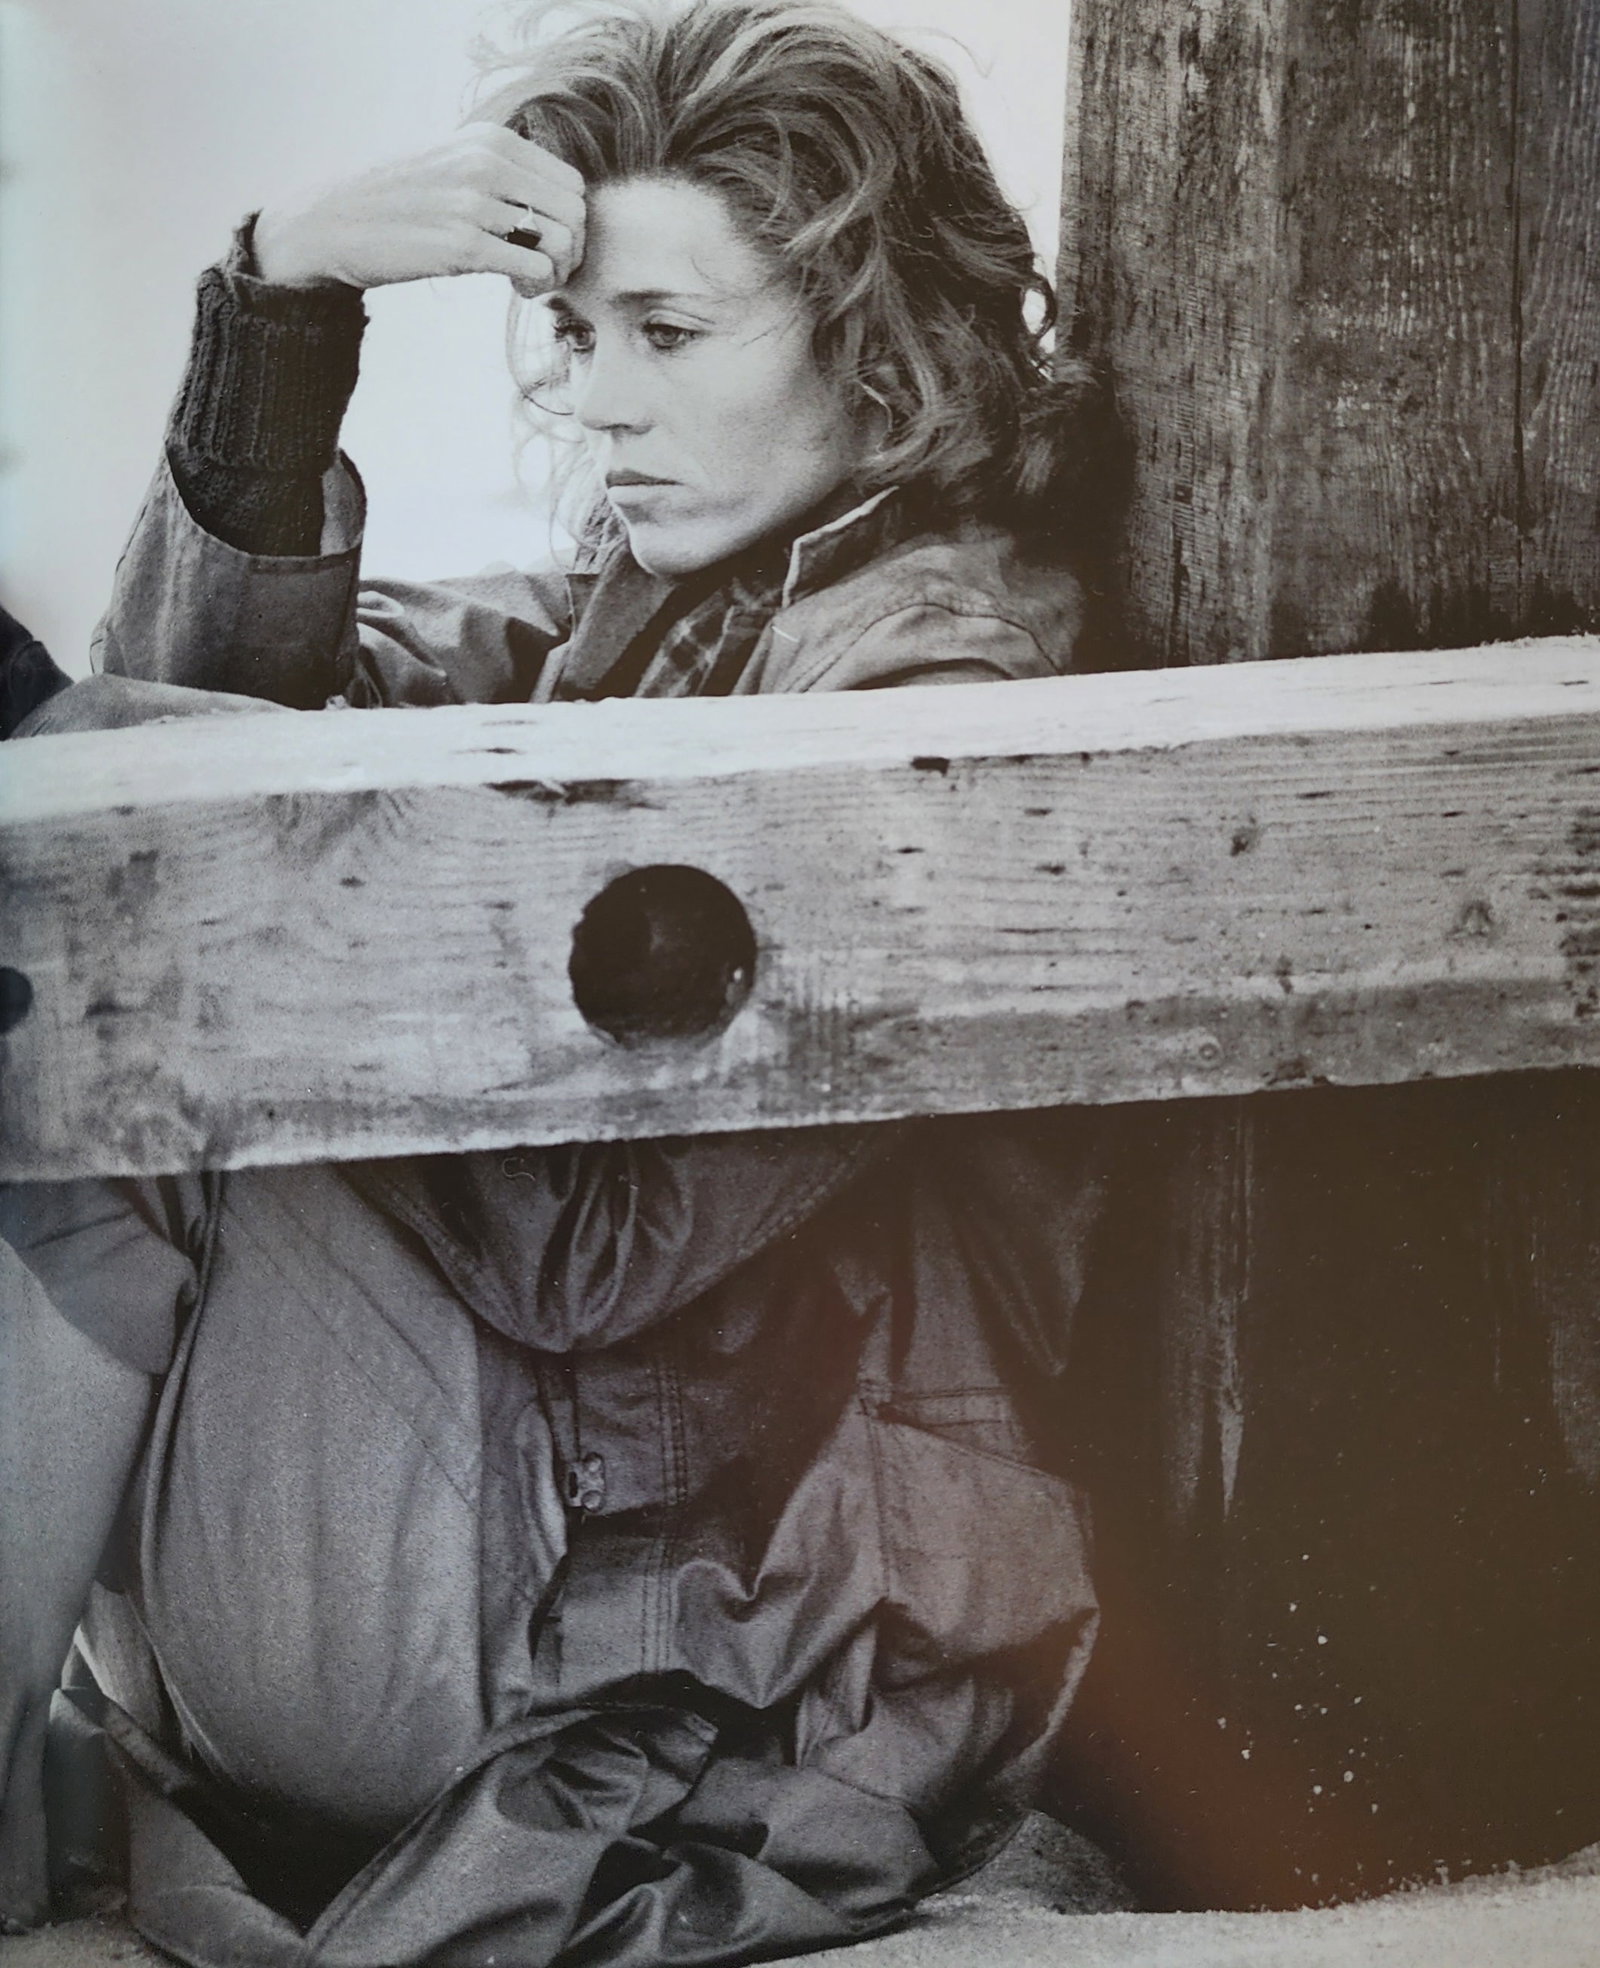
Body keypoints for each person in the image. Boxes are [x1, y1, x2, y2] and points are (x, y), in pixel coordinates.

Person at [0, 3, 1123, 1961]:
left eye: (666, 334)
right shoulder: (664, 606)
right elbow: (214, 746)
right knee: (106, 962)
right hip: (494, 1560)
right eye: (580, 336)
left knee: (126, 1013)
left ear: (878, 348)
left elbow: (603, 1252)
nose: (599, 405)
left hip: (659, 1640)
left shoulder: (917, 685)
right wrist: (286, 305)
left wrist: (93, 783)